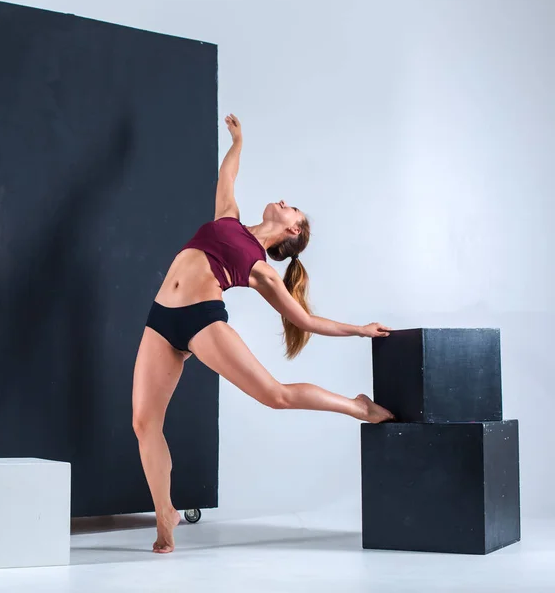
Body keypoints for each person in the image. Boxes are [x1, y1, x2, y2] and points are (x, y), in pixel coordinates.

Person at [132, 114, 395, 554]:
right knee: (144, 423)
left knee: (275, 395)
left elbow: (307, 321)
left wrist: (360, 330)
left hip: (201, 321)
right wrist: (238, 140)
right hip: (161, 318)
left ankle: (357, 407)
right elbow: (227, 174)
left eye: (293, 208)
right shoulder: (228, 219)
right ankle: (165, 515)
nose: (285, 202)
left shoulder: (261, 269)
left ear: (292, 230)